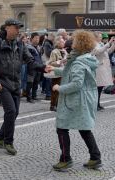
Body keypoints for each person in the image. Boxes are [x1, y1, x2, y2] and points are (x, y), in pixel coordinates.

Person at [0, 19, 50, 155]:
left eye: (19, 28)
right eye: (16, 28)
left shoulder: (20, 43)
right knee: (11, 111)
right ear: (7, 28)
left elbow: (30, 61)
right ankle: (8, 142)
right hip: (2, 83)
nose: (18, 31)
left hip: (16, 83)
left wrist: (43, 68)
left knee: (15, 112)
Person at [50, 30, 102, 171]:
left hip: (76, 100)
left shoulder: (78, 62)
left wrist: (58, 88)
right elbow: (69, 71)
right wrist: (55, 70)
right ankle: (95, 157)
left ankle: (66, 159)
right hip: (82, 100)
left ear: (79, 44)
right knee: (84, 128)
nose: (71, 42)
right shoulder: (84, 58)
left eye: (73, 40)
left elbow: (76, 84)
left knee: (61, 127)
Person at [93, 32, 114, 111]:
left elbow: (107, 51)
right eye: (100, 37)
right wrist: (108, 43)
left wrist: (113, 44)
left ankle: (97, 104)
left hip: (103, 67)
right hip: (98, 68)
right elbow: (99, 51)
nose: (101, 38)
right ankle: (95, 104)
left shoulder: (101, 43)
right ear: (96, 37)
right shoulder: (94, 44)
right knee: (98, 87)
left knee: (100, 87)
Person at [48, 36, 68, 111]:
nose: (64, 43)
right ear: (57, 43)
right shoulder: (54, 51)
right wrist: (60, 61)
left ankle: (59, 104)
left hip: (64, 72)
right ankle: (53, 105)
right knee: (55, 89)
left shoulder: (64, 51)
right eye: (62, 42)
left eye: (64, 41)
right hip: (56, 72)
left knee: (62, 89)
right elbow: (51, 63)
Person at [26, 32, 43, 103]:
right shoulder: (28, 47)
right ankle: (28, 97)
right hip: (31, 68)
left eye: (38, 38)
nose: (37, 40)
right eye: (36, 38)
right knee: (30, 82)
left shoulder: (38, 47)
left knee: (36, 82)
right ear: (31, 39)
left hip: (38, 67)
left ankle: (34, 95)